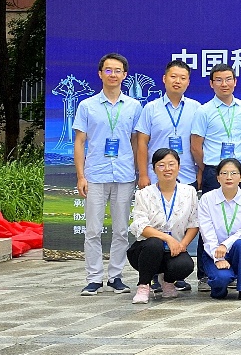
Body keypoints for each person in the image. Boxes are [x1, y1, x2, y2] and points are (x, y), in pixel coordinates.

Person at [75, 53, 144, 296]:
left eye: (117, 71)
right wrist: (81, 176)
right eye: (108, 70)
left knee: (121, 230)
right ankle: (94, 278)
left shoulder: (134, 107)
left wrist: (138, 171)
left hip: (124, 174)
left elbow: (137, 142)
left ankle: (116, 276)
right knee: (93, 230)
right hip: (95, 174)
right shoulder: (87, 106)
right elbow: (79, 142)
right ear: (100, 73)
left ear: (125, 75)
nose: (112, 74)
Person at [125, 148, 199, 304]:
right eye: (161, 165)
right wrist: (167, 238)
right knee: (154, 243)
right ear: (154, 169)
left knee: (185, 265)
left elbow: (194, 223)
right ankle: (144, 286)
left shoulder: (189, 192)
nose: (167, 169)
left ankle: (168, 282)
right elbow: (140, 226)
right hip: (145, 251)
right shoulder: (143, 194)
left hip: (174, 249)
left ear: (178, 167)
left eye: (171, 164)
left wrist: (182, 244)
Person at [196, 158, 241, 300]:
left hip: (237, 251)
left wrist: (225, 245)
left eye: (233, 173)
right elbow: (206, 232)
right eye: (224, 173)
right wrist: (218, 257)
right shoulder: (207, 199)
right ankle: (220, 285)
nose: (229, 177)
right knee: (221, 280)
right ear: (218, 177)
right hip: (214, 251)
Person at [135, 60, 201, 189]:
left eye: (183, 78)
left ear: (188, 82)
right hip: (156, 176)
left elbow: (200, 144)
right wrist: (143, 175)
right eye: (173, 76)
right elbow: (142, 143)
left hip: (187, 175)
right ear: (164, 79)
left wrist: (200, 171)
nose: (177, 81)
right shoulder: (151, 108)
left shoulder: (196, 108)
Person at [190, 63, 241, 192]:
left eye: (228, 79)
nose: (224, 84)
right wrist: (208, 168)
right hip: (214, 171)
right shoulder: (203, 111)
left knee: (240, 205)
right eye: (218, 80)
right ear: (211, 84)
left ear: (235, 82)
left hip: (239, 170)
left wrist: (238, 156)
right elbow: (196, 146)